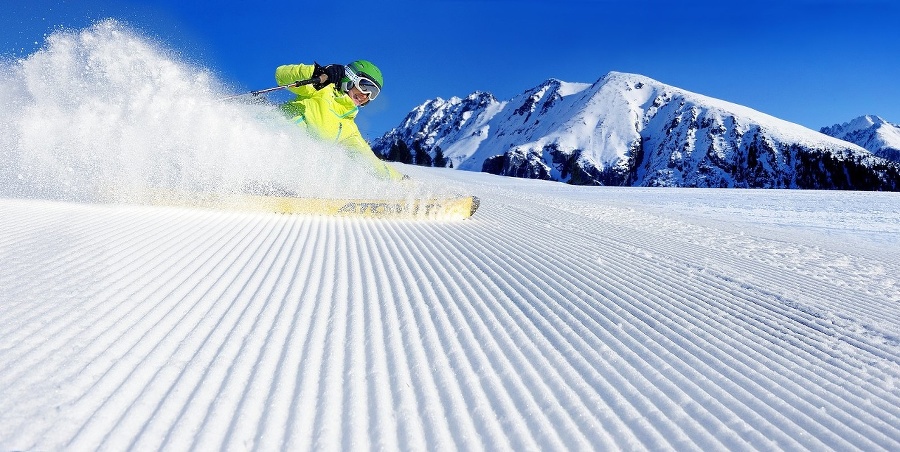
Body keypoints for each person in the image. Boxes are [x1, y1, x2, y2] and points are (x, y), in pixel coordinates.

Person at [275, 60, 404, 181]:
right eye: (365, 86)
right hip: (271, 135)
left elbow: (370, 162)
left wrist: (402, 181)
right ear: (350, 78)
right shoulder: (321, 88)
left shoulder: (349, 129)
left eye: (373, 93)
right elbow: (281, 75)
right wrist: (318, 73)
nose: (366, 95)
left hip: (288, 167)